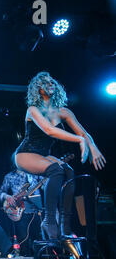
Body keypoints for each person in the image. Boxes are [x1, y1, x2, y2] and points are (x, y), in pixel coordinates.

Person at [14, 71, 106, 240]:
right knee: (56, 170)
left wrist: (93, 147)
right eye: (46, 82)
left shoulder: (64, 112)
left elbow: (83, 132)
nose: (51, 84)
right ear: (38, 88)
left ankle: (65, 224)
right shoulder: (33, 109)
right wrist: (79, 140)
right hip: (25, 154)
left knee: (69, 171)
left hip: (43, 155)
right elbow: (50, 130)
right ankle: (49, 220)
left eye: (53, 82)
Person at [0, 167, 44, 256]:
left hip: (36, 211)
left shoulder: (35, 172)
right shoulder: (10, 176)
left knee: (39, 239)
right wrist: (8, 197)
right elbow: (1, 193)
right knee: (23, 240)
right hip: (20, 211)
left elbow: (45, 186)